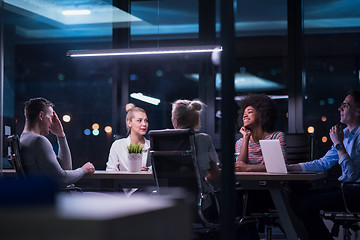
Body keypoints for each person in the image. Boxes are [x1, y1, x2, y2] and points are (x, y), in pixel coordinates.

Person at [287, 90, 360, 240]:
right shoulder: (345, 132)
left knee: (304, 205)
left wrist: (339, 144)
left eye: (345, 106)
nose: (339, 109)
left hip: (355, 192)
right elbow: (323, 163)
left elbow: (352, 176)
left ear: (358, 111)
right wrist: (290, 167)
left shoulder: (350, 137)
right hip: (345, 189)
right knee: (294, 198)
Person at [20, 97, 95, 188]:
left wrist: (61, 135)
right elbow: (62, 178)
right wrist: (84, 170)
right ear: (41, 116)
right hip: (51, 198)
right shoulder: (38, 141)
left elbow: (66, 168)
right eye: (51, 117)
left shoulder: (24, 139)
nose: (52, 123)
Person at [171, 99, 221, 211]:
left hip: (170, 204)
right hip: (200, 203)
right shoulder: (204, 139)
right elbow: (214, 174)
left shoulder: (165, 140)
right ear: (196, 121)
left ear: (176, 122)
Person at [106, 103, 150, 196]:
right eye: (139, 120)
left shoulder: (152, 146)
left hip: (149, 192)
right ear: (129, 122)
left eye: (146, 121)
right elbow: (110, 172)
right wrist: (133, 172)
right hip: (126, 194)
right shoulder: (118, 145)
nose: (144, 124)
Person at [235, 94, 286, 172]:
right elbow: (240, 167)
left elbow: (279, 167)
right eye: (243, 113)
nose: (245, 115)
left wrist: (247, 168)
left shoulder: (276, 137)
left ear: (261, 114)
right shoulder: (240, 143)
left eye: (249, 112)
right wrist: (246, 138)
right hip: (248, 183)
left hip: (272, 182)